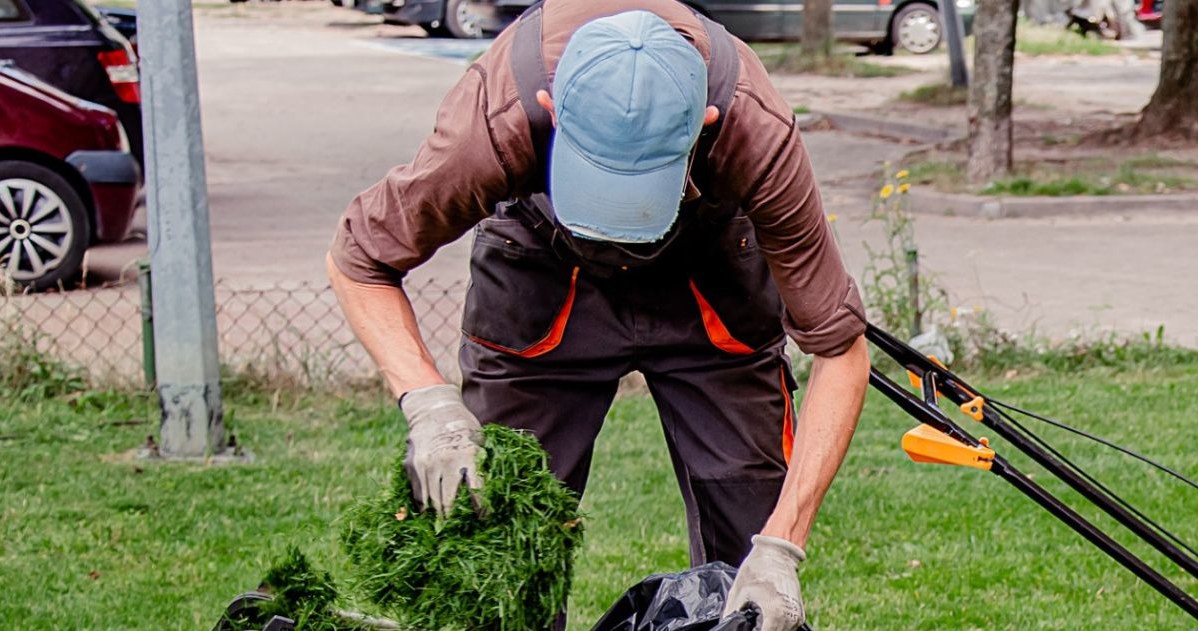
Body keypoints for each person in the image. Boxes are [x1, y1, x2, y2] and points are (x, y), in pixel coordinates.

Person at [327, 1, 870, 629]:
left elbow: (839, 349)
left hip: (708, 277)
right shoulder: (496, 119)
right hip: (542, 271)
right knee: (498, 538)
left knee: (753, 531)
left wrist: (781, 549)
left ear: (705, 124)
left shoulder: (755, 129)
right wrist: (429, 405)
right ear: (553, 111)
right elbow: (359, 260)